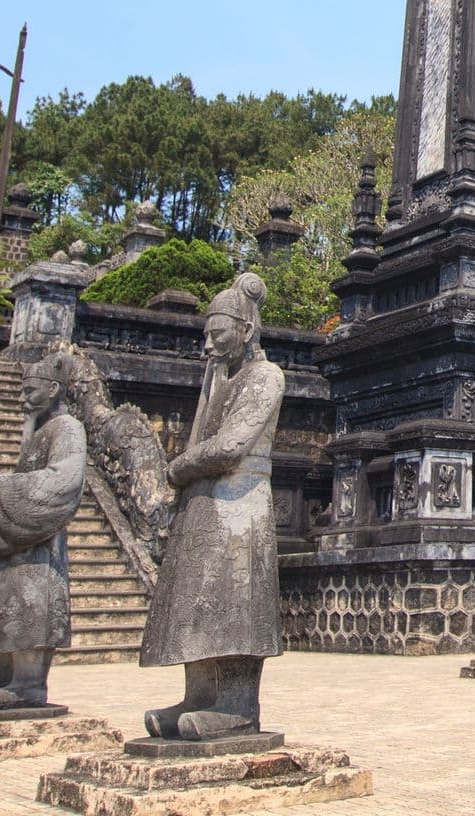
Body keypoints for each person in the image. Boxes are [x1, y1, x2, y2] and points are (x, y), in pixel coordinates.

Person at [140, 272, 285, 741]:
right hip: (208, 506)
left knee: (237, 607)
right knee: (200, 604)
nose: (207, 345)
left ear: (245, 331)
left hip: (240, 509)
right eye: (205, 335)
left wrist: (181, 465)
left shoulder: (266, 377)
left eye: (216, 335)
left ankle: (239, 706)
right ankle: (199, 697)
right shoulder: (224, 381)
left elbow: (230, 447)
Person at [0, 353, 87, 709]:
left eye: (30, 391)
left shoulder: (67, 428)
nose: (21, 398)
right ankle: (5, 675)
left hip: (41, 541)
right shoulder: (41, 430)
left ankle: (28, 683)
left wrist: (1, 488)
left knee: (30, 605)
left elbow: (66, 480)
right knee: (7, 598)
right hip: (20, 533)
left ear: (54, 388)